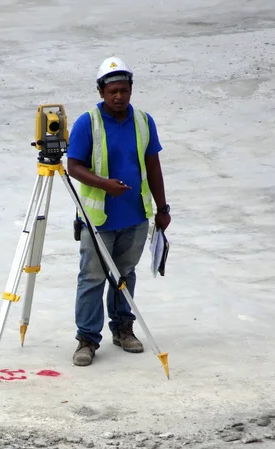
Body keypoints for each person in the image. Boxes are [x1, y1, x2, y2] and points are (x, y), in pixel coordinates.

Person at [66, 56, 171, 366]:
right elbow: (72, 166)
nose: (119, 96)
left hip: (135, 216)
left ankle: (123, 329)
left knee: (125, 274)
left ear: (130, 90)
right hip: (98, 220)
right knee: (92, 278)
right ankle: (87, 339)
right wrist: (103, 184)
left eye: (124, 90)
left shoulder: (143, 121)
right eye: (112, 91)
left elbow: (153, 165)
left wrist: (162, 208)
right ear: (101, 92)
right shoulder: (89, 122)